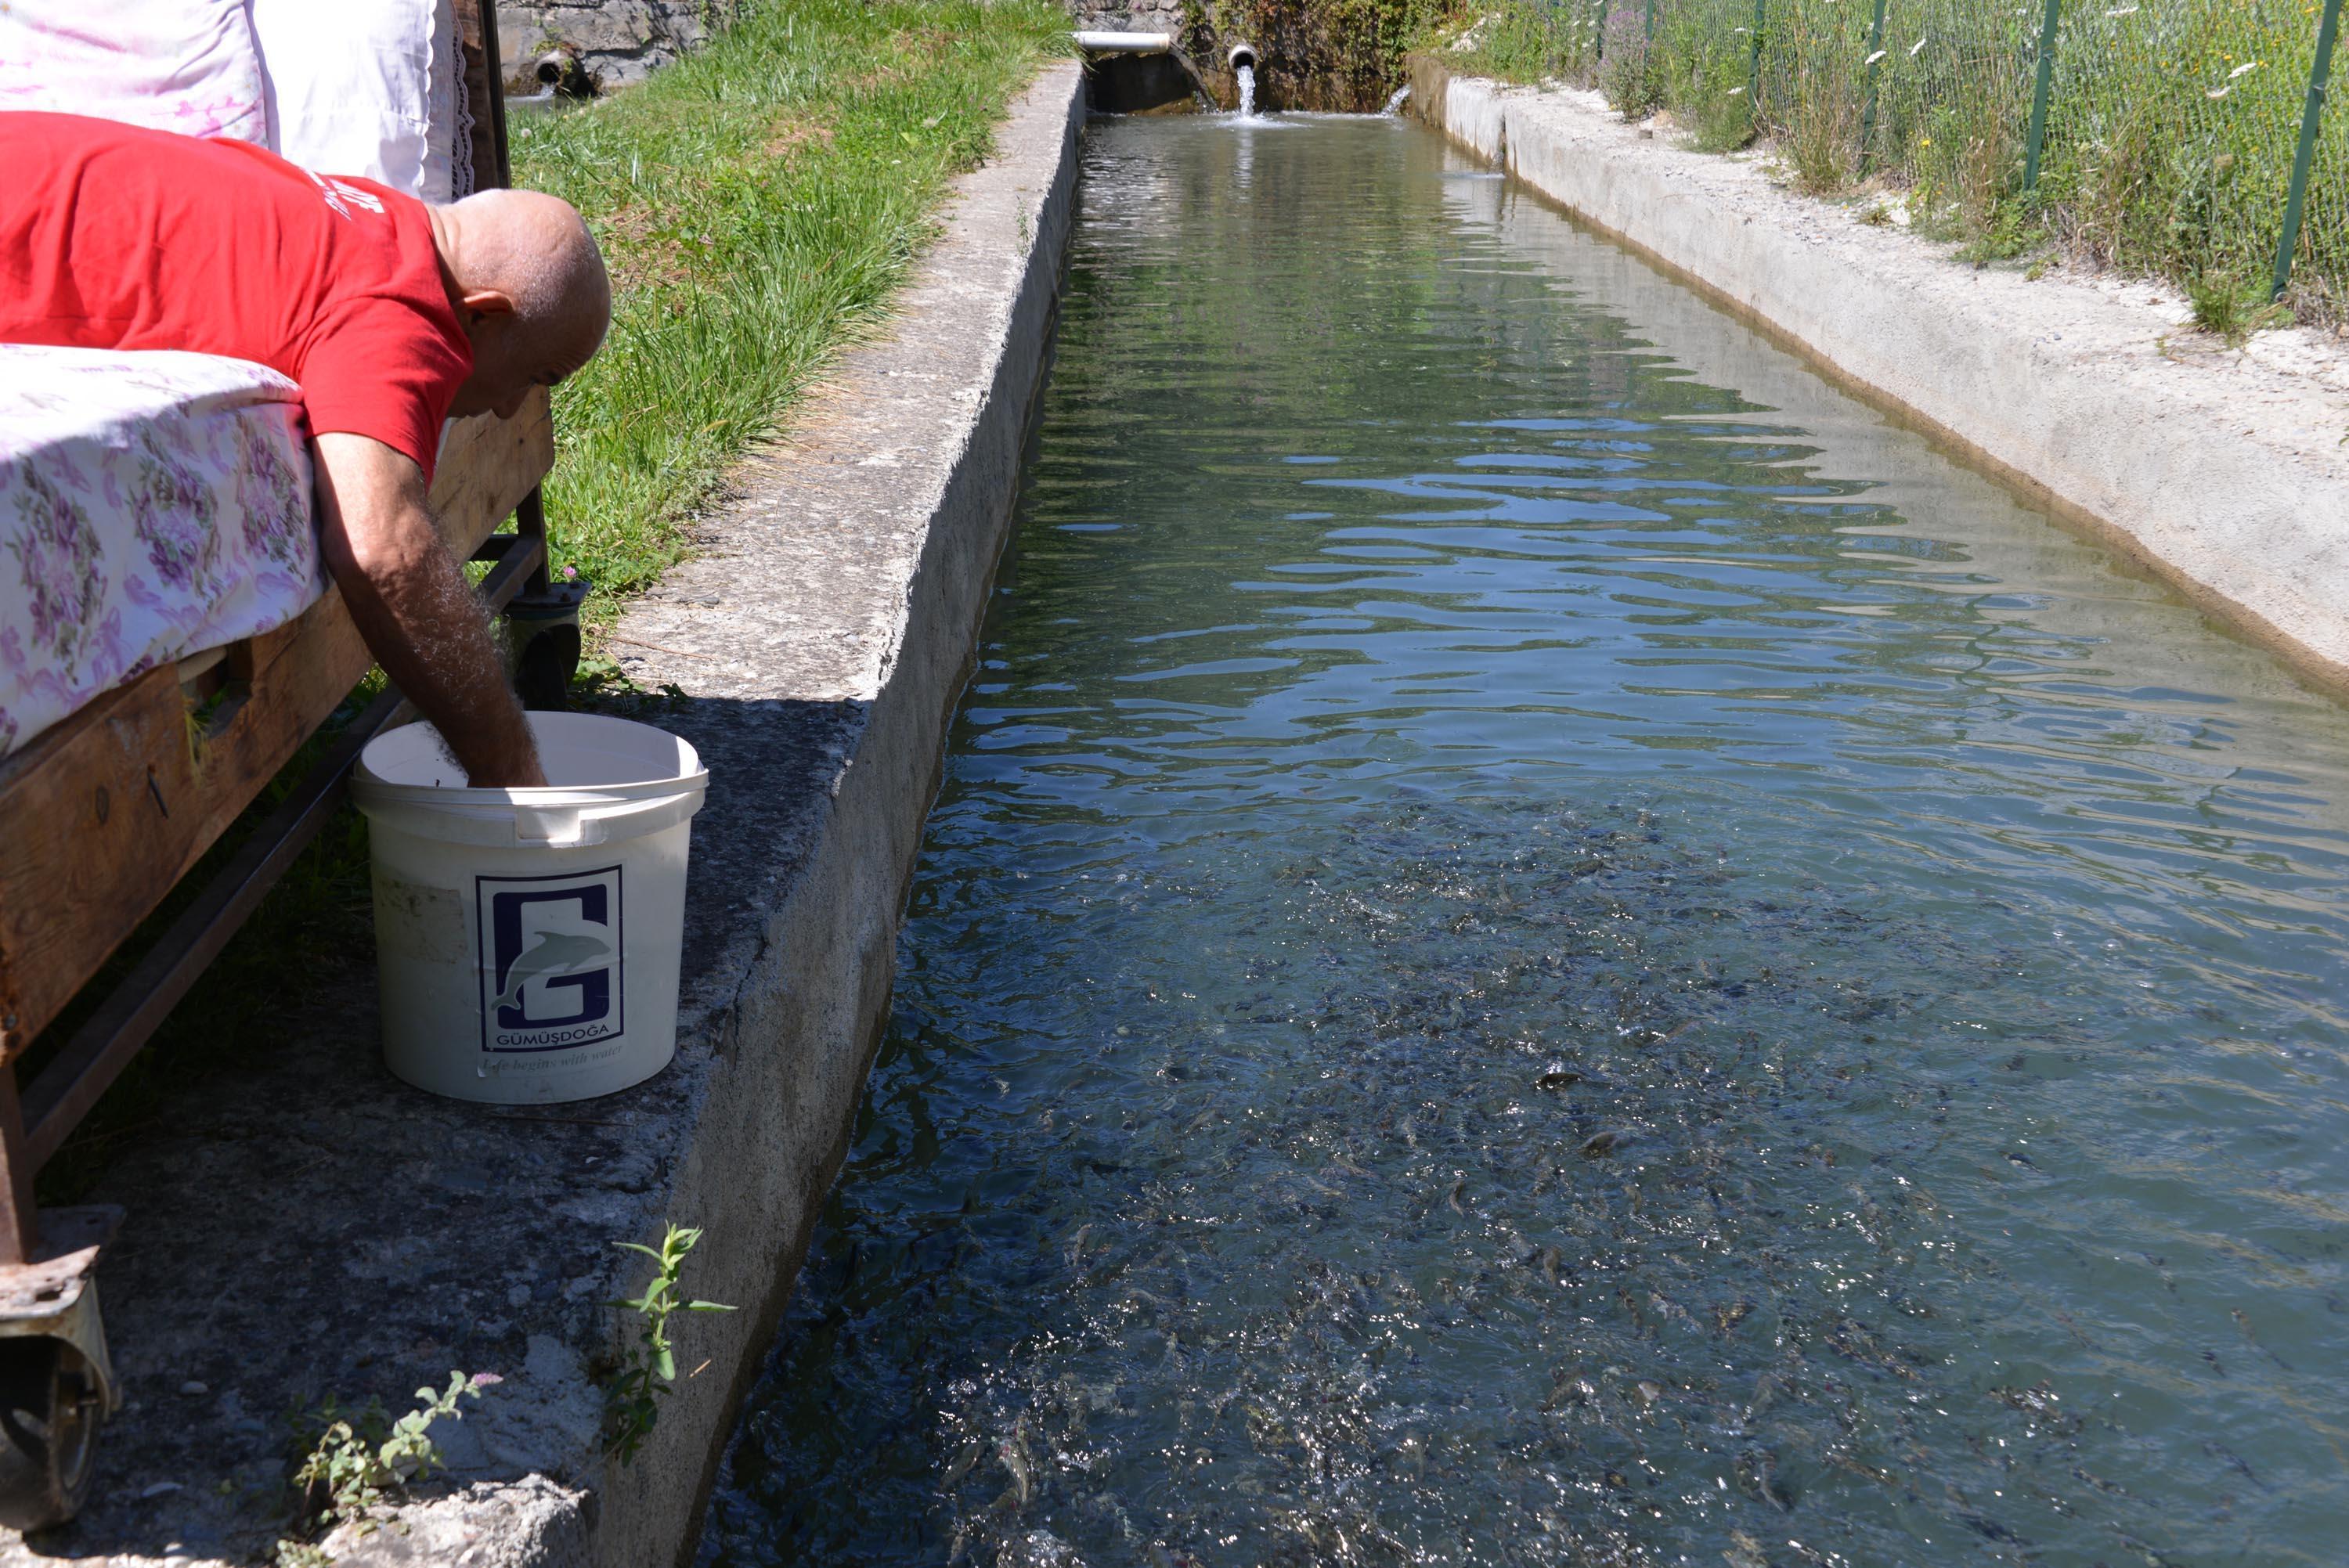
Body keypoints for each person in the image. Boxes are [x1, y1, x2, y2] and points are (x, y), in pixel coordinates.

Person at [0, 111, 613, 786]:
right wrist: (513, 771)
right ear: (484, 312)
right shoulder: (403, 309)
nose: (506, 407)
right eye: (534, 376)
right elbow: (384, 550)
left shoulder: (371, 210)